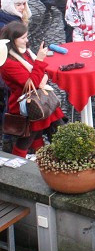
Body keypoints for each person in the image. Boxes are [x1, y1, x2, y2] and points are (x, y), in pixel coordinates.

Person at [0, 22, 64, 157]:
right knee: (27, 139)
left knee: (37, 135)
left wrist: (42, 76)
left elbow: (40, 75)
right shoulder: (8, 64)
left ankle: (42, 157)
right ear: (13, 40)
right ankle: (20, 167)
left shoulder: (24, 52)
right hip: (29, 105)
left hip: (39, 100)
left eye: (27, 36)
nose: (27, 40)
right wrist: (40, 61)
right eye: (23, 38)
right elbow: (32, 84)